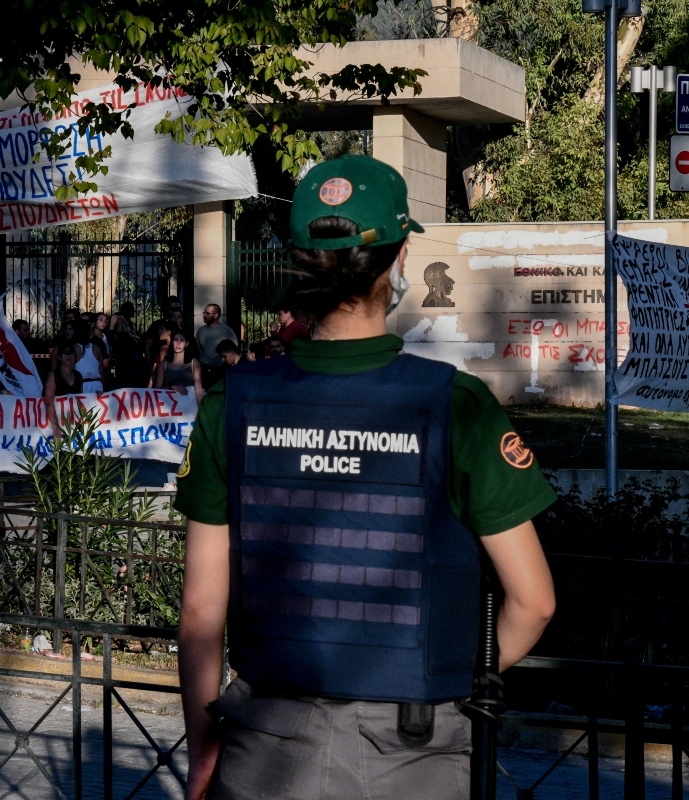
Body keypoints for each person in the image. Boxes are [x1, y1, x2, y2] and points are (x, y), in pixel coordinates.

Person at [174, 155, 557, 800]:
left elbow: (200, 611)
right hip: (416, 753)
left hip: (266, 742)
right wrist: (437, 674)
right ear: (400, 258)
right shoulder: (457, 405)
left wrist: (203, 750)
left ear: (297, 263)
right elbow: (535, 601)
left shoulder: (229, 403)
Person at [44, 342, 83, 438]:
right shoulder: (53, 375)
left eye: (71, 353)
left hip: (74, 424)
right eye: (65, 353)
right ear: (59, 357)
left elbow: (81, 400)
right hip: (57, 422)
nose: (68, 356)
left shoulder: (78, 376)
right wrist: (56, 427)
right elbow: (48, 402)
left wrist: (97, 397)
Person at [195, 304, 238, 390]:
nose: (204, 315)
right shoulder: (200, 331)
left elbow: (234, 348)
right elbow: (199, 348)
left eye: (207, 313)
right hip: (204, 369)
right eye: (204, 313)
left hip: (220, 369)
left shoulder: (226, 330)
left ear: (216, 315)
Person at [154, 330, 204, 402]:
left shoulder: (194, 362)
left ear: (187, 344)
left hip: (189, 403)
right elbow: (157, 389)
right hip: (170, 403)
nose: (178, 343)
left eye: (182, 340)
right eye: (176, 340)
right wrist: (171, 387)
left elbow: (198, 389)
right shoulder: (164, 364)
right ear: (172, 342)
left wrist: (201, 407)